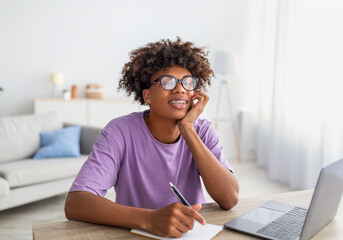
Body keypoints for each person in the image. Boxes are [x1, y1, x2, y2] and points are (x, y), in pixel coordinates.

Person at [64, 37, 239, 238]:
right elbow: (76, 203)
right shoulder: (119, 132)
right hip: (137, 234)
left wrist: (188, 129)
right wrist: (149, 219)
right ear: (147, 96)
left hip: (191, 233)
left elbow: (230, 198)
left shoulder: (202, 131)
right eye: (168, 82)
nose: (180, 88)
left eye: (187, 82)